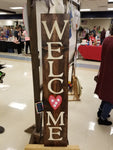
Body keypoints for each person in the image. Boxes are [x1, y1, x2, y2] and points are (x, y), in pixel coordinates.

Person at [95, 25, 113, 126]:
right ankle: (102, 118)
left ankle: (100, 111)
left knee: (106, 94)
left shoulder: (106, 40)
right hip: (111, 73)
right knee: (111, 97)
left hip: (105, 70)